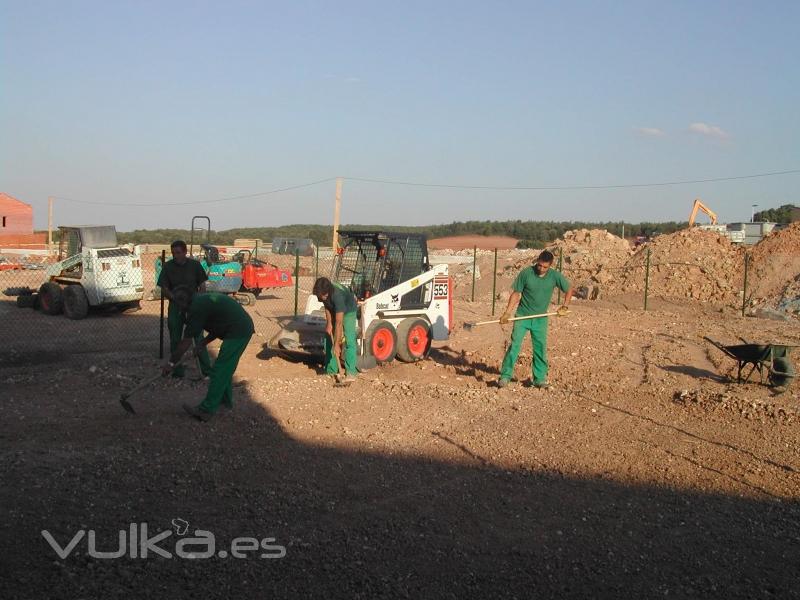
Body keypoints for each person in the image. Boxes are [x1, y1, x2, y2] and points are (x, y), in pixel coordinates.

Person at [165, 287, 255, 421]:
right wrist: (202, 343)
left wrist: (170, 363)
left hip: (239, 331)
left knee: (220, 369)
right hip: (235, 328)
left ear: (183, 302)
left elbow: (185, 342)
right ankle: (224, 401)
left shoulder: (196, 308)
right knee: (225, 369)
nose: (178, 309)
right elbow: (218, 324)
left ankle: (206, 410)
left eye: (177, 305)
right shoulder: (199, 302)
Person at [497, 250, 573, 389]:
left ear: (550, 265)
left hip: (540, 318)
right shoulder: (526, 273)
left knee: (540, 348)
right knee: (514, 346)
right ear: (537, 261)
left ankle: (539, 379)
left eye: (545, 267)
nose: (541, 269)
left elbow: (569, 289)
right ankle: (505, 376)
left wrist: (565, 306)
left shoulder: (555, 276)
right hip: (522, 316)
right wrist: (507, 313)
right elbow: (516, 293)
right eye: (539, 265)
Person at [157, 240, 211, 378]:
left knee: (198, 338)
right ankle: (177, 371)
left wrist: (199, 302)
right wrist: (174, 299)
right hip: (176, 306)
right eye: (174, 253)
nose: (176, 256)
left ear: (185, 252)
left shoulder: (195, 265)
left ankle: (206, 371)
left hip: (193, 306)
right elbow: (164, 288)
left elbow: (202, 286)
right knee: (175, 338)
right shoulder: (168, 267)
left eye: (179, 253)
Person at [313, 277, 358, 384]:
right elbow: (327, 306)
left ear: (327, 293)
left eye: (322, 296)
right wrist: (329, 323)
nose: (320, 298)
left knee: (349, 339)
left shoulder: (338, 296)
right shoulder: (322, 294)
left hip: (348, 310)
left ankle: (351, 372)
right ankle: (331, 370)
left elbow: (339, 323)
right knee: (329, 338)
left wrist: (337, 344)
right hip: (335, 309)